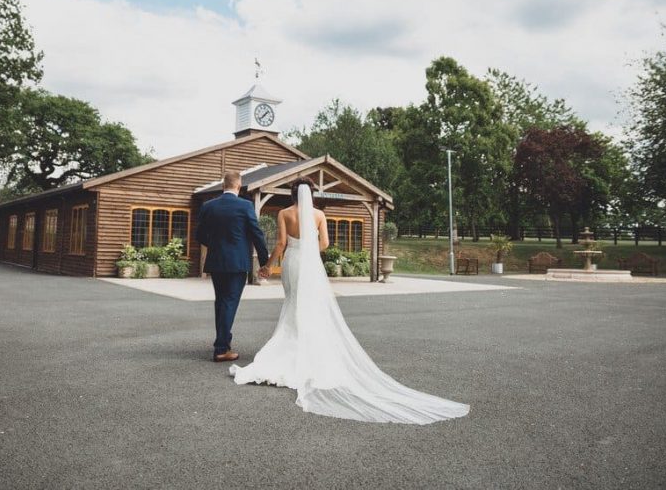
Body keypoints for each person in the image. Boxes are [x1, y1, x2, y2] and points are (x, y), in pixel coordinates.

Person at [230, 177, 470, 424]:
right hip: (310, 264)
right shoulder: (319, 215)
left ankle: (289, 353)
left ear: (292, 195)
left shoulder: (284, 213)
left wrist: (269, 266)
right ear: (311, 194)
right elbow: (324, 243)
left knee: (292, 303)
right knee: (310, 307)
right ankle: (311, 354)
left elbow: (280, 243)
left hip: (292, 262)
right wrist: (309, 246)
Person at [195, 171, 270, 362]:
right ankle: (221, 349)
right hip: (237, 263)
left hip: (216, 261)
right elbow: (256, 234)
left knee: (221, 302)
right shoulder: (245, 206)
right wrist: (264, 262)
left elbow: (199, 235)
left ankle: (224, 342)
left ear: (223, 186)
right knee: (229, 302)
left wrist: (215, 246)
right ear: (239, 185)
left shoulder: (208, 206)